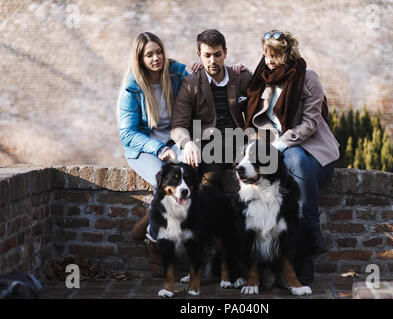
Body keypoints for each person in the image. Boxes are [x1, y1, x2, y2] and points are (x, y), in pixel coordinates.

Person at [117, 32, 247, 276]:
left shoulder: (177, 72)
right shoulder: (132, 87)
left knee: (189, 175)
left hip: (173, 141)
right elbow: (127, 134)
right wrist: (159, 149)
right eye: (149, 54)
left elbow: (205, 77)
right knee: (163, 181)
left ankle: (147, 224)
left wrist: (235, 69)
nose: (156, 58)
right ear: (139, 58)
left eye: (159, 52)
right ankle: (153, 239)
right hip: (144, 147)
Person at [245, 30, 340, 259]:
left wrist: (280, 145)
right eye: (267, 54)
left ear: (288, 54)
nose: (269, 60)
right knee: (292, 182)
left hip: (315, 151)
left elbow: (310, 124)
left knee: (295, 163)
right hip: (282, 151)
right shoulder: (263, 81)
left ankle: (310, 225)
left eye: (275, 55)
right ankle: (309, 241)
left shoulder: (308, 78)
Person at [171, 29, 252, 191]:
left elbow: (259, 104)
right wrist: (187, 143)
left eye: (217, 54)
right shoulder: (190, 84)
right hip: (210, 147)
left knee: (258, 178)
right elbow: (178, 125)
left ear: (225, 53)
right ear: (199, 54)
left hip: (239, 144)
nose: (212, 60)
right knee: (209, 187)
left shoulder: (240, 77)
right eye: (207, 55)